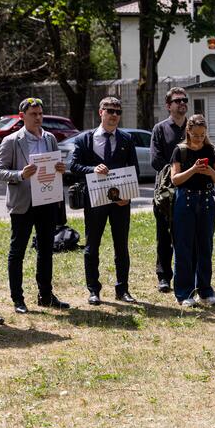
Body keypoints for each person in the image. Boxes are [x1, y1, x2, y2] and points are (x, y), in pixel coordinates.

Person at [0, 97, 70, 314]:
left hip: (46, 201)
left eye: (40, 114)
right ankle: (18, 299)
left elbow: (54, 166)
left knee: (46, 250)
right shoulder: (11, 141)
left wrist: (59, 168)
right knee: (17, 251)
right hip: (23, 204)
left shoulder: (50, 138)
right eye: (33, 114)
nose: (38, 118)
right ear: (22, 117)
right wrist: (20, 174)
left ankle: (45, 295)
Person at [70, 96, 139, 306]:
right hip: (95, 199)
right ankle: (93, 290)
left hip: (120, 202)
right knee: (92, 245)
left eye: (118, 112)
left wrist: (127, 196)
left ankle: (123, 289)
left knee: (121, 246)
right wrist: (93, 169)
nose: (114, 115)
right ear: (101, 112)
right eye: (110, 111)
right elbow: (74, 166)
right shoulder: (85, 140)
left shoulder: (126, 139)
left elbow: (133, 169)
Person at [169, 115, 215, 307]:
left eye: (202, 135)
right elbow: (175, 180)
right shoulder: (180, 151)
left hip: (206, 200)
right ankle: (184, 293)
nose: (199, 138)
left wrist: (209, 172)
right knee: (184, 248)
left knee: (205, 247)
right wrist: (193, 169)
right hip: (185, 200)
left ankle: (205, 291)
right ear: (188, 132)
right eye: (196, 135)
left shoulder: (213, 150)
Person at [150, 87, 188, 293]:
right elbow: (156, 160)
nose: (182, 103)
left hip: (189, 190)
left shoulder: (193, 127)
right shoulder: (160, 129)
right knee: (164, 237)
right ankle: (163, 277)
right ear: (168, 106)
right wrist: (176, 173)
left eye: (184, 100)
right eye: (177, 101)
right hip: (166, 192)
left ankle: (186, 275)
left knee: (186, 236)